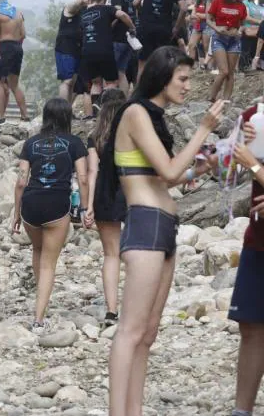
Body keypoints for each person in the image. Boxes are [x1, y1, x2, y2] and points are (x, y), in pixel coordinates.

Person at [104, 47, 224, 415]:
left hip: (163, 224)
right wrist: (203, 128)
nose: (188, 86)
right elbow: (171, 172)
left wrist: (205, 167)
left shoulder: (154, 118)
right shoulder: (136, 112)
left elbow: (164, 176)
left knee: (148, 331)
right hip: (145, 223)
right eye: (183, 79)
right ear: (162, 76)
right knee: (131, 329)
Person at [13, 98, 88, 333]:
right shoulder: (74, 143)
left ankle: (40, 299)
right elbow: (83, 178)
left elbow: (21, 181)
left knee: (37, 250)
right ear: (67, 117)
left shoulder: (31, 143)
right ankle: (38, 318)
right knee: (49, 264)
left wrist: (16, 213)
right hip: (57, 204)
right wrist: (85, 208)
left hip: (31, 204)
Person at [229, 106, 264, 416]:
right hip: (258, 239)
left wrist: (253, 166)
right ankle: (242, 410)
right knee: (251, 327)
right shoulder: (254, 115)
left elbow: (252, 168)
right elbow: (227, 173)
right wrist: (239, 145)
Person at [84, 88, 127, 327]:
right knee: (134, 253)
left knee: (111, 254)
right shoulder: (131, 130)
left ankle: (112, 311)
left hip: (105, 194)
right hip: (132, 191)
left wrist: (89, 206)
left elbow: (93, 171)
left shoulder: (95, 135)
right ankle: (136, 305)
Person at [78, 0, 136, 119]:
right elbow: (123, 15)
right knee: (111, 82)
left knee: (96, 82)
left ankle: (95, 114)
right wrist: (132, 27)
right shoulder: (106, 8)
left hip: (87, 52)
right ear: (103, 0)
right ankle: (106, 110)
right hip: (104, 50)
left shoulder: (84, 14)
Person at [132, 0, 187, 79]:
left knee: (143, 64)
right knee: (161, 63)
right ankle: (157, 95)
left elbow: (135, 2)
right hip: (164, 28)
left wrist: (143, 12)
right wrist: (176, 27)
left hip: (146, 27)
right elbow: (184, 8)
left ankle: (140, 95)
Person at [0, 0, 31, 125]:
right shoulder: (18, 13)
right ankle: (25, 115)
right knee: (14, 85)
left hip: (5, 47)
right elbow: (23, 34)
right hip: (17, 48)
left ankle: (0, 116)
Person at [207, 0, 247, 102]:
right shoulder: (218, 1)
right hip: (219, 38)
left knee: (230, 73)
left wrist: (239, 31)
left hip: (234, 40)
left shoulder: (241, 5)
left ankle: (226, 101)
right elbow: (208, 19)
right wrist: (217, 28)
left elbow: (243, 24)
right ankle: (211, 98)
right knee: (223, 71)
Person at [106, 0, 138, 96]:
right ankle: (123, 100)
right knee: (121, 72)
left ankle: (111, 103)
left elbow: (118, 12)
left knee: (112, 72)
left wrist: (107, 28)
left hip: (118, 35)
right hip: (130, 36)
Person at [55, 0, 91, 103]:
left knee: (73, 82)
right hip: (65, 48)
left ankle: (67, 111)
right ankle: (61, 110)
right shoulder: (70, 8)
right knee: (67, 81)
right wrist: (82, 1)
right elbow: (72, 6)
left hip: (77, 49)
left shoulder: (85, 11)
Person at [187, 0, 210, 67]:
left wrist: (199, 15)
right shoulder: (197, 2)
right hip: (197, 26)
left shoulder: (209, 2)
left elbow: (209, 16)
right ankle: (191, 65)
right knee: (191, 45)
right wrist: (199, 15)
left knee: (206, 47)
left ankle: (208, 67)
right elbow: (192, 15)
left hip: (207, 26)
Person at [241, 0, 262, 72]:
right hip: (248, 31)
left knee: (254, 51)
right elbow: (246, 17)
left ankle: (252, 69)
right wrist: (260, 22)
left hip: (257, 32)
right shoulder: (245, 2)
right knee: (246, 51)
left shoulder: (255, 4)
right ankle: (244, 69)